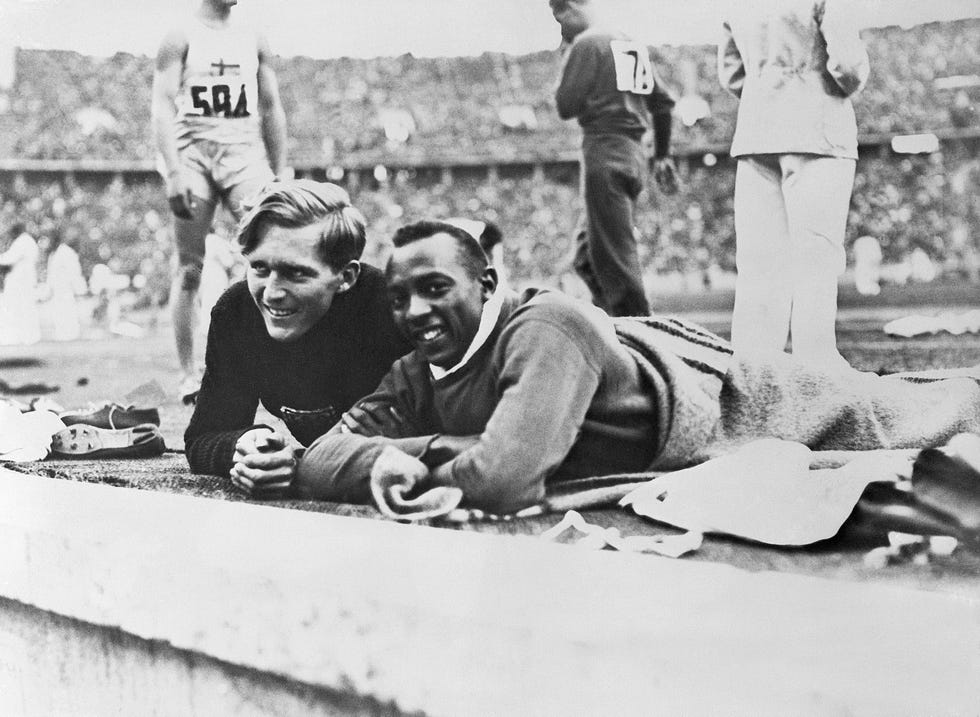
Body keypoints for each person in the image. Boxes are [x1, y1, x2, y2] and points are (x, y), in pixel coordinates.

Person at [281, 220, 980, 515]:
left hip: (754, 402)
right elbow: (318, 456)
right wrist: (404, 458)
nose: (414, 311)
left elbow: (503, 480)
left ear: (487, 285)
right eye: (400, 297)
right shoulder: (416, 368)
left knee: (928, 412)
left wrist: (408, 453)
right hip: (684, 412)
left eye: (436, 288)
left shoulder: (546, 325)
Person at [183, 180, 412, 496]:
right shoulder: (237, 312)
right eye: (260, 268)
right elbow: (204, 437)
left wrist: (302, 466)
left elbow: (422, 438)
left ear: (346, 277)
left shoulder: (392, 312)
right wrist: (244, 448)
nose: (273, 293)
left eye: (296, 273)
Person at [718, 0, 870, 368]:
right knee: (815, 258)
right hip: (816, 127)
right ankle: (815, 364)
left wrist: (766, 87)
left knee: (759, 265)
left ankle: (755, 370)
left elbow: (731, 75)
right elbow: (847, 67)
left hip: (758, 129)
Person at [151, 0, 290, 402]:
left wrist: (280, 171)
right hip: (193, 150)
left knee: (273, 254)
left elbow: (270, 107)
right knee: (190, 268)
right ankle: (188, 374)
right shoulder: (181, 34)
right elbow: (161, 104)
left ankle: (269, 362)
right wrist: (173, 170)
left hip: (243, 153)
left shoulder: (253, 36)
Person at [550, 0, 678, 317]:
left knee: (615, 263)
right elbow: (662, 103)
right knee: (586, 255)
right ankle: (609, 323)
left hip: (604, 151)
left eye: (558, 18)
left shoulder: (586, 44)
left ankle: (640, 334)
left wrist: (567, 55)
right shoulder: (628, 43)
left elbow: (566, 106)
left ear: (570, 9)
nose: (560, 27)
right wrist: (661, 155)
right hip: (633, 155)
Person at [0, 222, 42, 346]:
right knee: (24, 309)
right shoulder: (27, 241)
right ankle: (27, 337)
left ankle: (18, 338)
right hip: (24, 280)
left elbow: (9, 258)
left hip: (19, 280)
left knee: (15, 309)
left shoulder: (23, 241)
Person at [43, 229, 88, 341]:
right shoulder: (54, 254)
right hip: (57, 289)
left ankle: (71, 336)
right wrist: (48, 291)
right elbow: (50, 275)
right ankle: (62, 336)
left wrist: (79, 290)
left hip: (66, 289)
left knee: (68, 312)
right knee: (58, 313)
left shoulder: (67, 252)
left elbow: (75, 273)